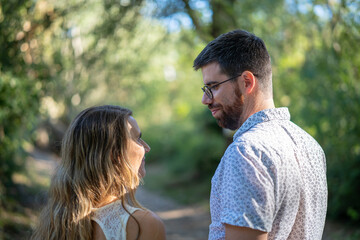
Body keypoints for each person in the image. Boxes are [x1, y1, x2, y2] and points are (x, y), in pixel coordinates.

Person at [193, 30, 327, 240]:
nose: (205, 99)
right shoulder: (310, 145)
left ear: (246, 81)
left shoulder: (246, 152)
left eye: (213, 87)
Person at [31, 105, 166, 240]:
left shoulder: (56, 223)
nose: (146, 147)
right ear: (114, 153)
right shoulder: (143, 225)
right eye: (137, 139)